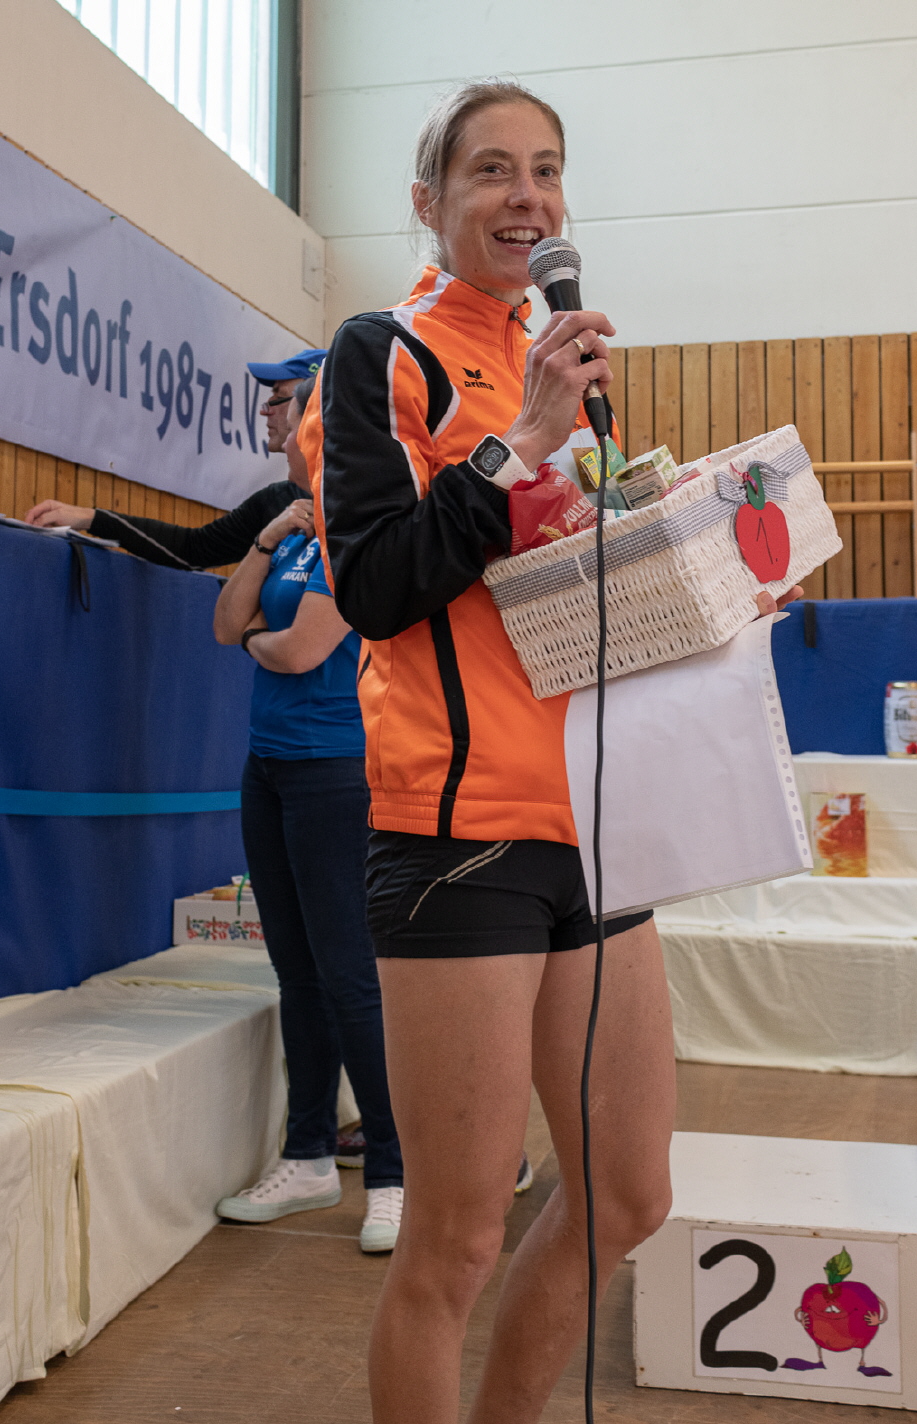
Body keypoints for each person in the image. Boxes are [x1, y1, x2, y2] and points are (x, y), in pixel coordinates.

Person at [300, 80, 802, 1421]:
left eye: (546, 169)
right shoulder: (381, 353)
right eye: (491, 170)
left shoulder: (558, 367)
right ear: (429, 200)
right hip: (456, 835)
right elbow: (377, 587)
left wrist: (708, 572)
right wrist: (518, 439)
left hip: (592, 820)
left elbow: (563, 592)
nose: (526, 196)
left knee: (628, 1194)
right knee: (456, 1239)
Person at [212, 376, 405, 1253]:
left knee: (349, 973)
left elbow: (293, 650)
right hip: (269, 767)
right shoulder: (293, 530)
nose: (276, 419)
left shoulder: (352, 529)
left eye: (289, 408)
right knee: (296, 971)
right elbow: (225, 622)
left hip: (334, 769)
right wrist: (265, 539)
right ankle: (308, 1157)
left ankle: (395, 1173)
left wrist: (259, 639)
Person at [23, 348, 327, 569]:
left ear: (313, 404)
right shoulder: (275, 500)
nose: (265, 410)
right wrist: (90, 518)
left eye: (277, 396)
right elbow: (193, 548)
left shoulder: (349, 502)